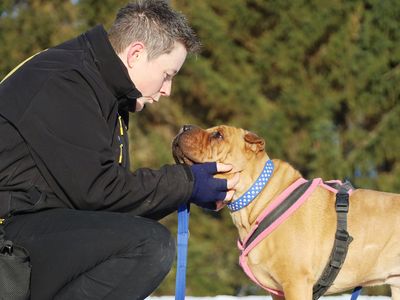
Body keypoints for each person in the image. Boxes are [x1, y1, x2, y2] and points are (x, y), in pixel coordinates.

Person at [0, 1, 239, 299]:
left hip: (28, 226)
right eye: (167, 74)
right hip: (8, 238)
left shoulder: (103, 89)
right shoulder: (64, 82)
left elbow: (110, 200)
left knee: (137, 236)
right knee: (147, 245)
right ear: (136, 54)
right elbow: (98, 192)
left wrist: (184, 189)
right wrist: (188, 184)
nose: (168, 90)